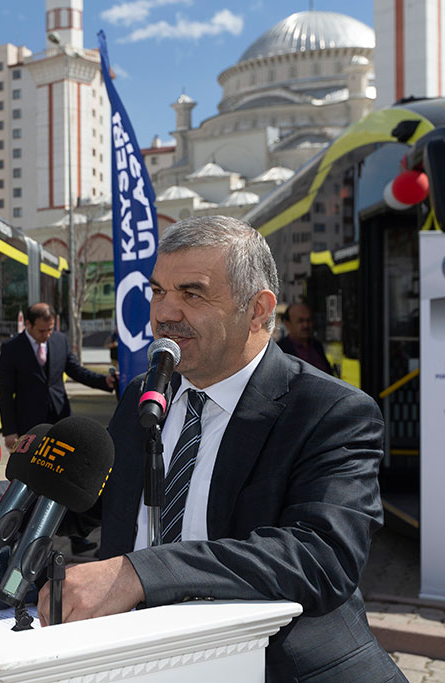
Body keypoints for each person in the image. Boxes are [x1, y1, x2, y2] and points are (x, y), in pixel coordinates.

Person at [38, 216, 403, 681]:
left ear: (257, 310)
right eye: (157, 292)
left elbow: (320, 556)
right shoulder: (145, 394)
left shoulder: (331, 411)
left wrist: (139, 573)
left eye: (191, 294)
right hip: (133, 663)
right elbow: (92, 498)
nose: (164, 313)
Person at [0, 302, 117, 555]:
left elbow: (75, 371)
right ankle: (24, 535)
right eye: (42, 331)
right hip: (32, 427)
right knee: (33, 485)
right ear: (28, 325)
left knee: (65, 482)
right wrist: (10, 430)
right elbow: (5, 391)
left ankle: (75, 537)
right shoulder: (11, 349)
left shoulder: (60, 341)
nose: (47, 335)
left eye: (50, 330)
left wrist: (104, 383)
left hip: (61, 423)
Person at [277, 301, 334, 374]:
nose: (306, 325)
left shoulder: (317, 346)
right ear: (288, 324)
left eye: (309, 320)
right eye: (300, 321)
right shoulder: (280, 350)